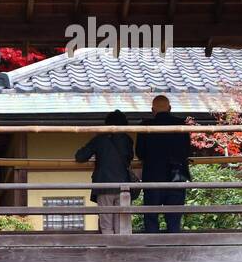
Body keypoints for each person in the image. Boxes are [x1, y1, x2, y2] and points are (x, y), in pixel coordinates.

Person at [136, 95, 191, 233]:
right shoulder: (181, 125)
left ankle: (151, 247)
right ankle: (174, 247)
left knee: (151, 215)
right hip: (176, 175)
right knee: (174, 217)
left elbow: (140, 152)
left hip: (153, 176)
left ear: (152, 110)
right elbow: (188, 150)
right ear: (170, 108)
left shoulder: (145, 127)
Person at [74, 109, 135, 234]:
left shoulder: (100, 139)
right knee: (122, 226)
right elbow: (129, 158)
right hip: (123, 186)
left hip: (104, 185)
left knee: (106, 225)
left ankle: (109, 251)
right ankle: (122, 251)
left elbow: (80, 156)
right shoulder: (128, 140)